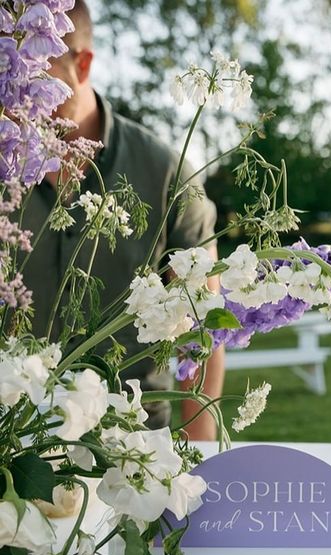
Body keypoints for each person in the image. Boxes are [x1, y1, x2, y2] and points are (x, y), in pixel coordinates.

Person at [22, 0, 225, 441]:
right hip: (12, 449)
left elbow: (203, 328)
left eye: (35, 75)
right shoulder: (7, 163)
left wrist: (201, 461)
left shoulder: (165, 172)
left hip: (134, 450)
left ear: (83, 62)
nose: (21, 97)